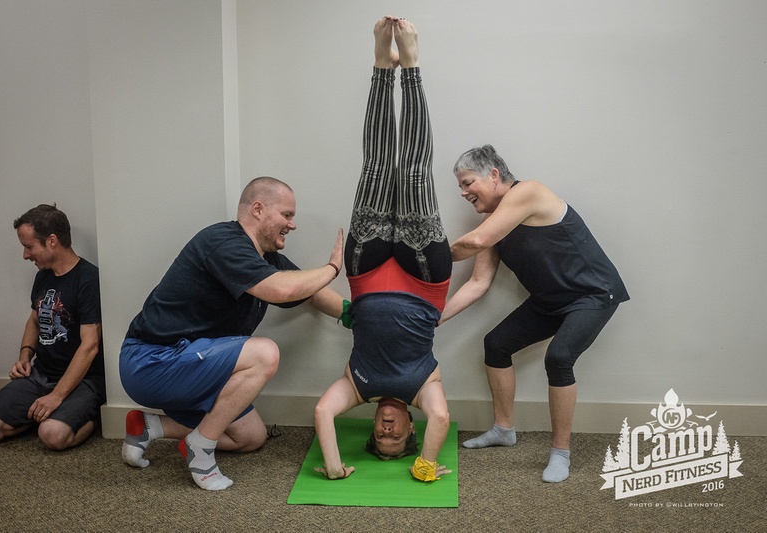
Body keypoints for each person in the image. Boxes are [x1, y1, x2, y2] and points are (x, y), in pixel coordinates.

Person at [119, 176, 346, 491]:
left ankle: (149, 426)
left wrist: (356, 316)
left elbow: (309, 291)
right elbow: (285, 288)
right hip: (152, 361)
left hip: (190, 363)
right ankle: (200, 449)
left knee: (250, 437)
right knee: (265, 353)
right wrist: (333, 267)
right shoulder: (224, 242)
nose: (292, 225)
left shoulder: (264, 259)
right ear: (257, 209)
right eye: (287, 215)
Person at [313, 17, 452, 483]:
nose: (388, 429)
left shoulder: (357, 388)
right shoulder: (422, 392)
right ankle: (409, 66)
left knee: (374, 166)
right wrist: (426, 464)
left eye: (380, 436)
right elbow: (443, 420)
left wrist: (333, 466)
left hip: (367, 275)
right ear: (412, 429)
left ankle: (380, 65)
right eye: (397, 436)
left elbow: (321, 413)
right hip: (424, 279)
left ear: (371, 426)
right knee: (414, 171)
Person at [439, 144, 629, 482]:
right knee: (496, 344)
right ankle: (504, 429)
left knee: (558, 358)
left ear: (493, 175)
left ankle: (560, 453)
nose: (463, 192)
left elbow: (477, 241)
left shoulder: (529, 192)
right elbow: (478, 284)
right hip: (550, 300)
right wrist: (435, 316)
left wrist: (428, 257)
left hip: (593, 295)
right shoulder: (493, 225)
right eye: (461, 186)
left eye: (467, 183)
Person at [0, 204, 105, 451]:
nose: (25, 255)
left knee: (53, 435)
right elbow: (35, 320)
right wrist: (25, 356)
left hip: (84, 381)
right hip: (41, 375)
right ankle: (42, 413)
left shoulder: (88, 279)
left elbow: (90, 345)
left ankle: (89, 415)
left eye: (29, 247)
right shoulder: (43, 275)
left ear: (52, 241)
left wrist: (57, 395)